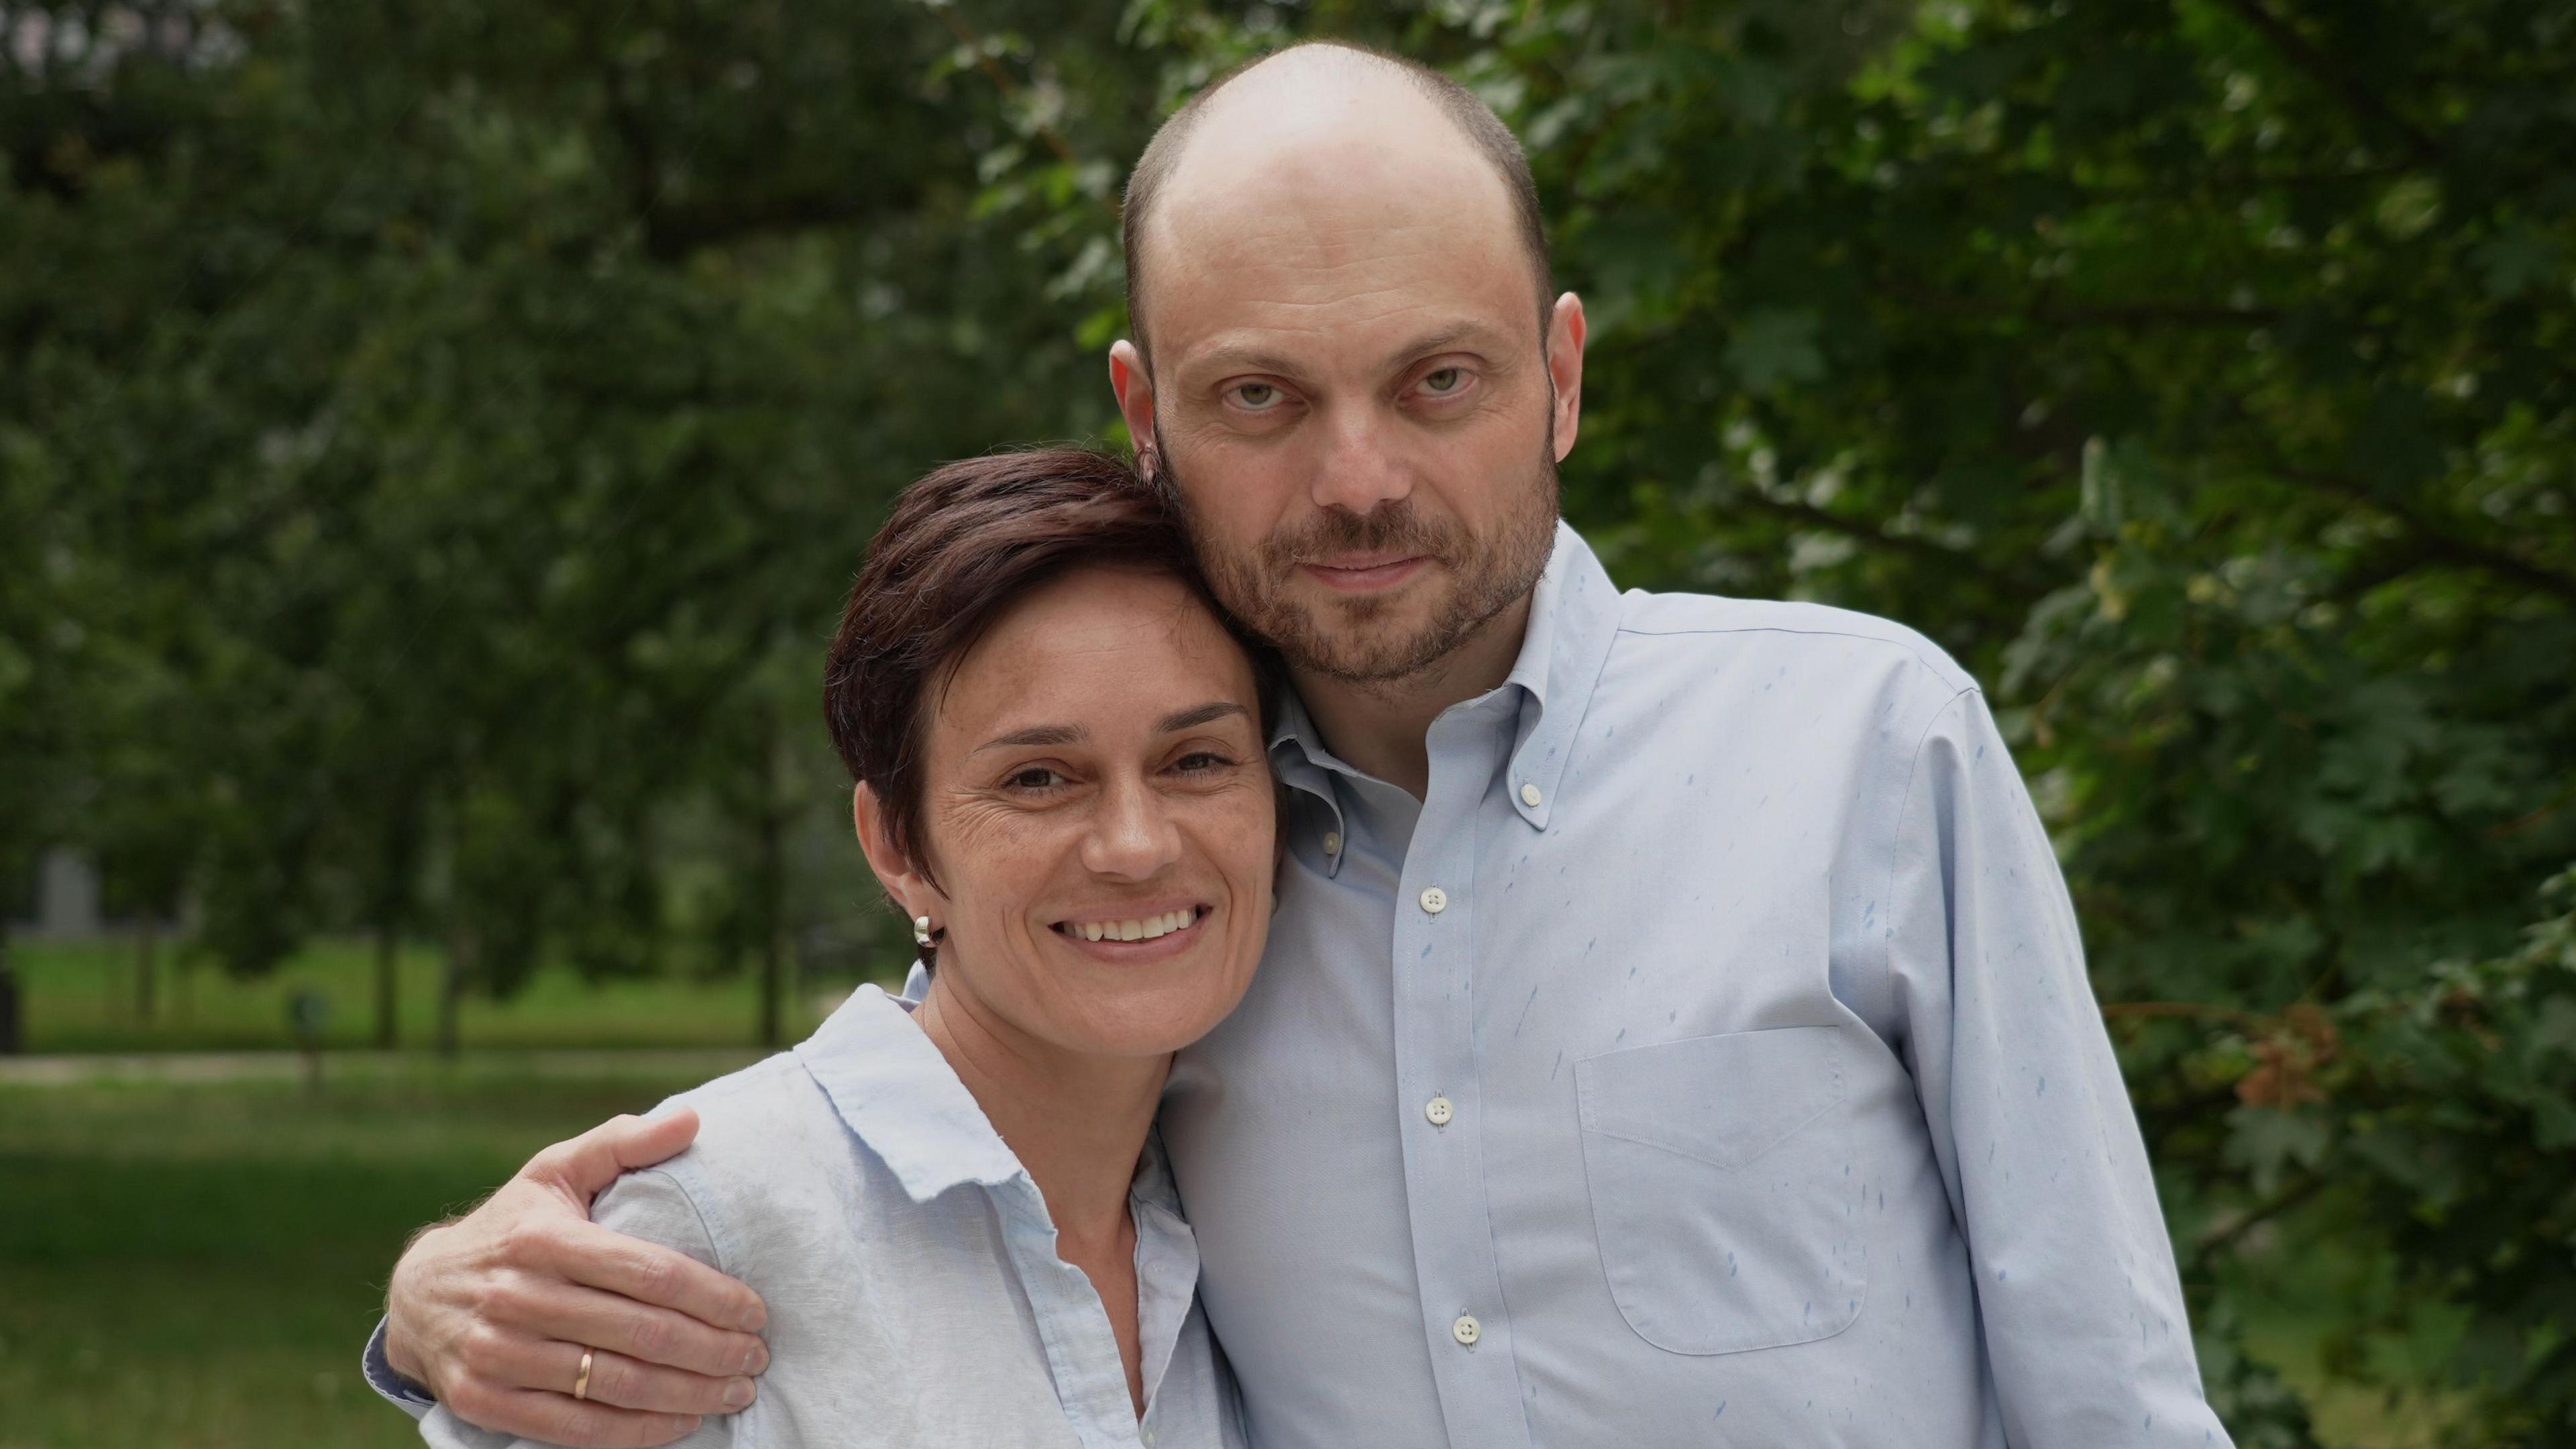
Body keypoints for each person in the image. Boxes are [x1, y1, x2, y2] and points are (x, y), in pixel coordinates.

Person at [371, 41, 2237, 1448]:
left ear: (1565, 374)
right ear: (1148, 407)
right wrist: (450, 1306)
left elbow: (2111, 1391)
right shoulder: (1181, 872)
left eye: (1441, 381)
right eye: (1263, 395)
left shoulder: (1864, 743)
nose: (1359, 483)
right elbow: (943, 1093)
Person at [409, 448, 1273, 1448]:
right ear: (898, 846)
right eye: (1040, 778)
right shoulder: (706, 1232)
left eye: (1197, 759)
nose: (1137, 845)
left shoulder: (1242, 1213)